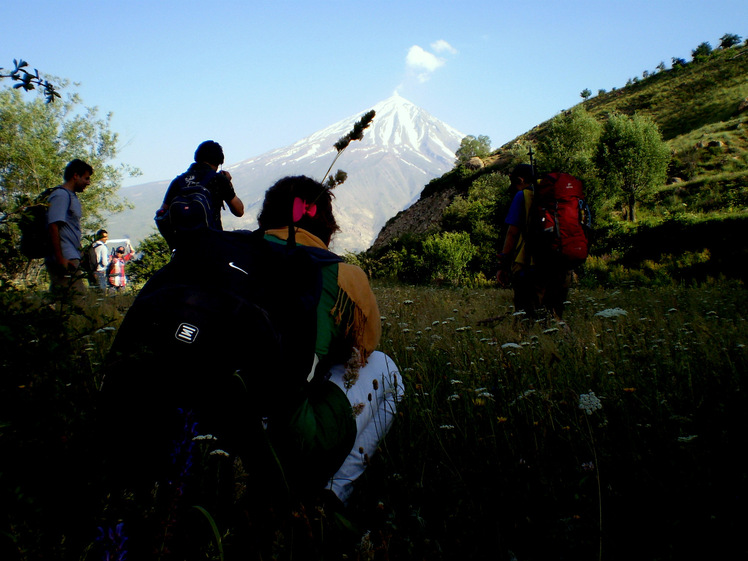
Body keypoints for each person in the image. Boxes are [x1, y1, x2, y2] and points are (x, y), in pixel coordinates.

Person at [257, 175, 404, 505]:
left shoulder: (233, 256)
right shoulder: (344, 276)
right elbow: (362, 352)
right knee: (386, 370)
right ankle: (332, 493)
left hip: (208, 426)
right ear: (326, 221)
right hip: (286, 438)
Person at [496, 164, 570, 319]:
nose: (516, 189)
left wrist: (503, 265)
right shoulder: (557, 193)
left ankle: (527, 340)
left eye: (516, 185)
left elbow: (512, 233)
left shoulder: (523, 196)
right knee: (554, 317)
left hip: (530, 265)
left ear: (520, 179)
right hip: (560, 265)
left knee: (526, 317)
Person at [158, 140, 244, 236]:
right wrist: (228, 183)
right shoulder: (218, 179)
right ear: (219, 161)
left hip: (184, 244)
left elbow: (162, 214)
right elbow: (239, 211)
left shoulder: (179, 181)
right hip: (212, 242)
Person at [45, 159, 93, 299]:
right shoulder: (61, 195)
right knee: (76, 301)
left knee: (60, 301)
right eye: (86, 178)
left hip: (70, 256)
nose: (88, 182)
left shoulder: (71, 196)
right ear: (75, 176)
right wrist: (60, 258)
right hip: (65, 258)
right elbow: (53, 226)